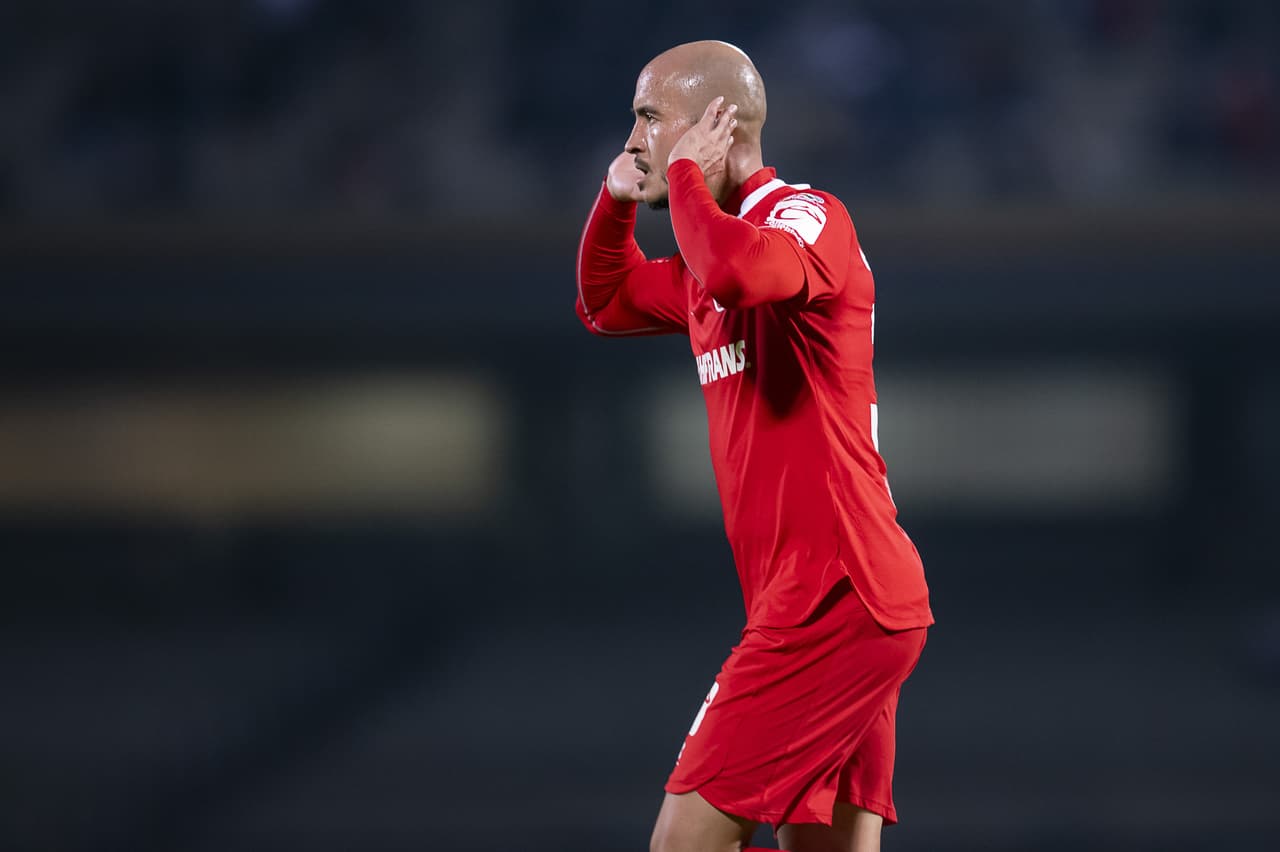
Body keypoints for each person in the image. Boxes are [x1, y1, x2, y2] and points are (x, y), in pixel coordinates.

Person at [575, 41, 934, 852]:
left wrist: (692, 180)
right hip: (817, 597)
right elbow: (605, 302)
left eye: (648, 119)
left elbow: (740, 276)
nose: (634, 141)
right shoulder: (710, 252)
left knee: (683, 841)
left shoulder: (809, 216)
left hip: (838, 594)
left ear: (714, 124)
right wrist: (616, 204)